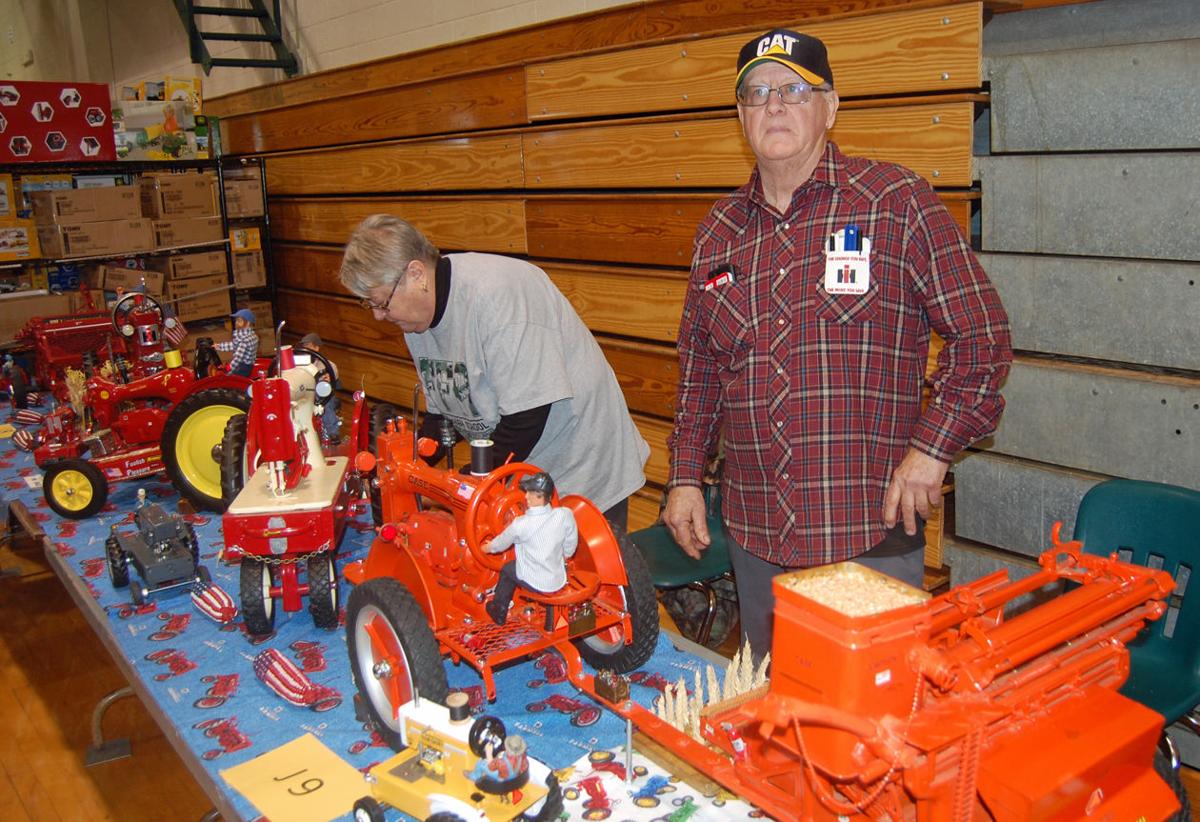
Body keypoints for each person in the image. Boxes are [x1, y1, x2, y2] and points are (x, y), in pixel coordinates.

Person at [663, 29, 1013, 659]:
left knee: (872, 721)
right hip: (755, 535)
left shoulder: (896, 203)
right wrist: (686, 477)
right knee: (777, 710)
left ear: (830, 106)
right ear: (740, 115)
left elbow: (983, 336)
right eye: (757, 93)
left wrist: (932, 450)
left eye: (794, 90)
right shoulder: (718, 232)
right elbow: (700, 375)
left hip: (866, 533)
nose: (774, 105)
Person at [339, 214, 649, 528]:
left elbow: (526, 418)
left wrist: (459, 485)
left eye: (382, 302)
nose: (379, 316)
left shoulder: (499, 296)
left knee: (580, 570)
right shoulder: (416, 317)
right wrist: (407, 470)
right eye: (371, 305)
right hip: (523, 469)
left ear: (416, 273)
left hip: (581, 463)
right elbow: (448, 411)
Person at [482, 472, 577, 625]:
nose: (525, 496)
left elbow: (500, 544)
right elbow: (571, 540)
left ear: (540, 497)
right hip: (557, 577)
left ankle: (498, 611)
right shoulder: (564, 514)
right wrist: (567, 554)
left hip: (535, 581)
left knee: (507, 569)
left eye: (530, 493)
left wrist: (485, 549)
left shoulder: (521, 524)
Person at [298, 332, 341, 445]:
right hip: (302, 393)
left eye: (309, 346)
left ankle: (333, 432)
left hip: (319, 395)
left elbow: (333, 375)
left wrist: (328, 378)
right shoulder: (298, 364)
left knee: (326, 403)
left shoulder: (327, 365)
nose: (306, 349)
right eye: (304, 346)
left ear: (317, 347)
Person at [215, 308, 258, 378]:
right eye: (236, 320)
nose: (236, 323)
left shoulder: (244, 339)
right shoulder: (252, 335)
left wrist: (227, 368)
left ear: (248, 323)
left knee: (227, 379)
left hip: (242, 368)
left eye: (239, 321)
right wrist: (219, 346)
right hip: (248, 366)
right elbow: (235, 345)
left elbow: (237, 359)